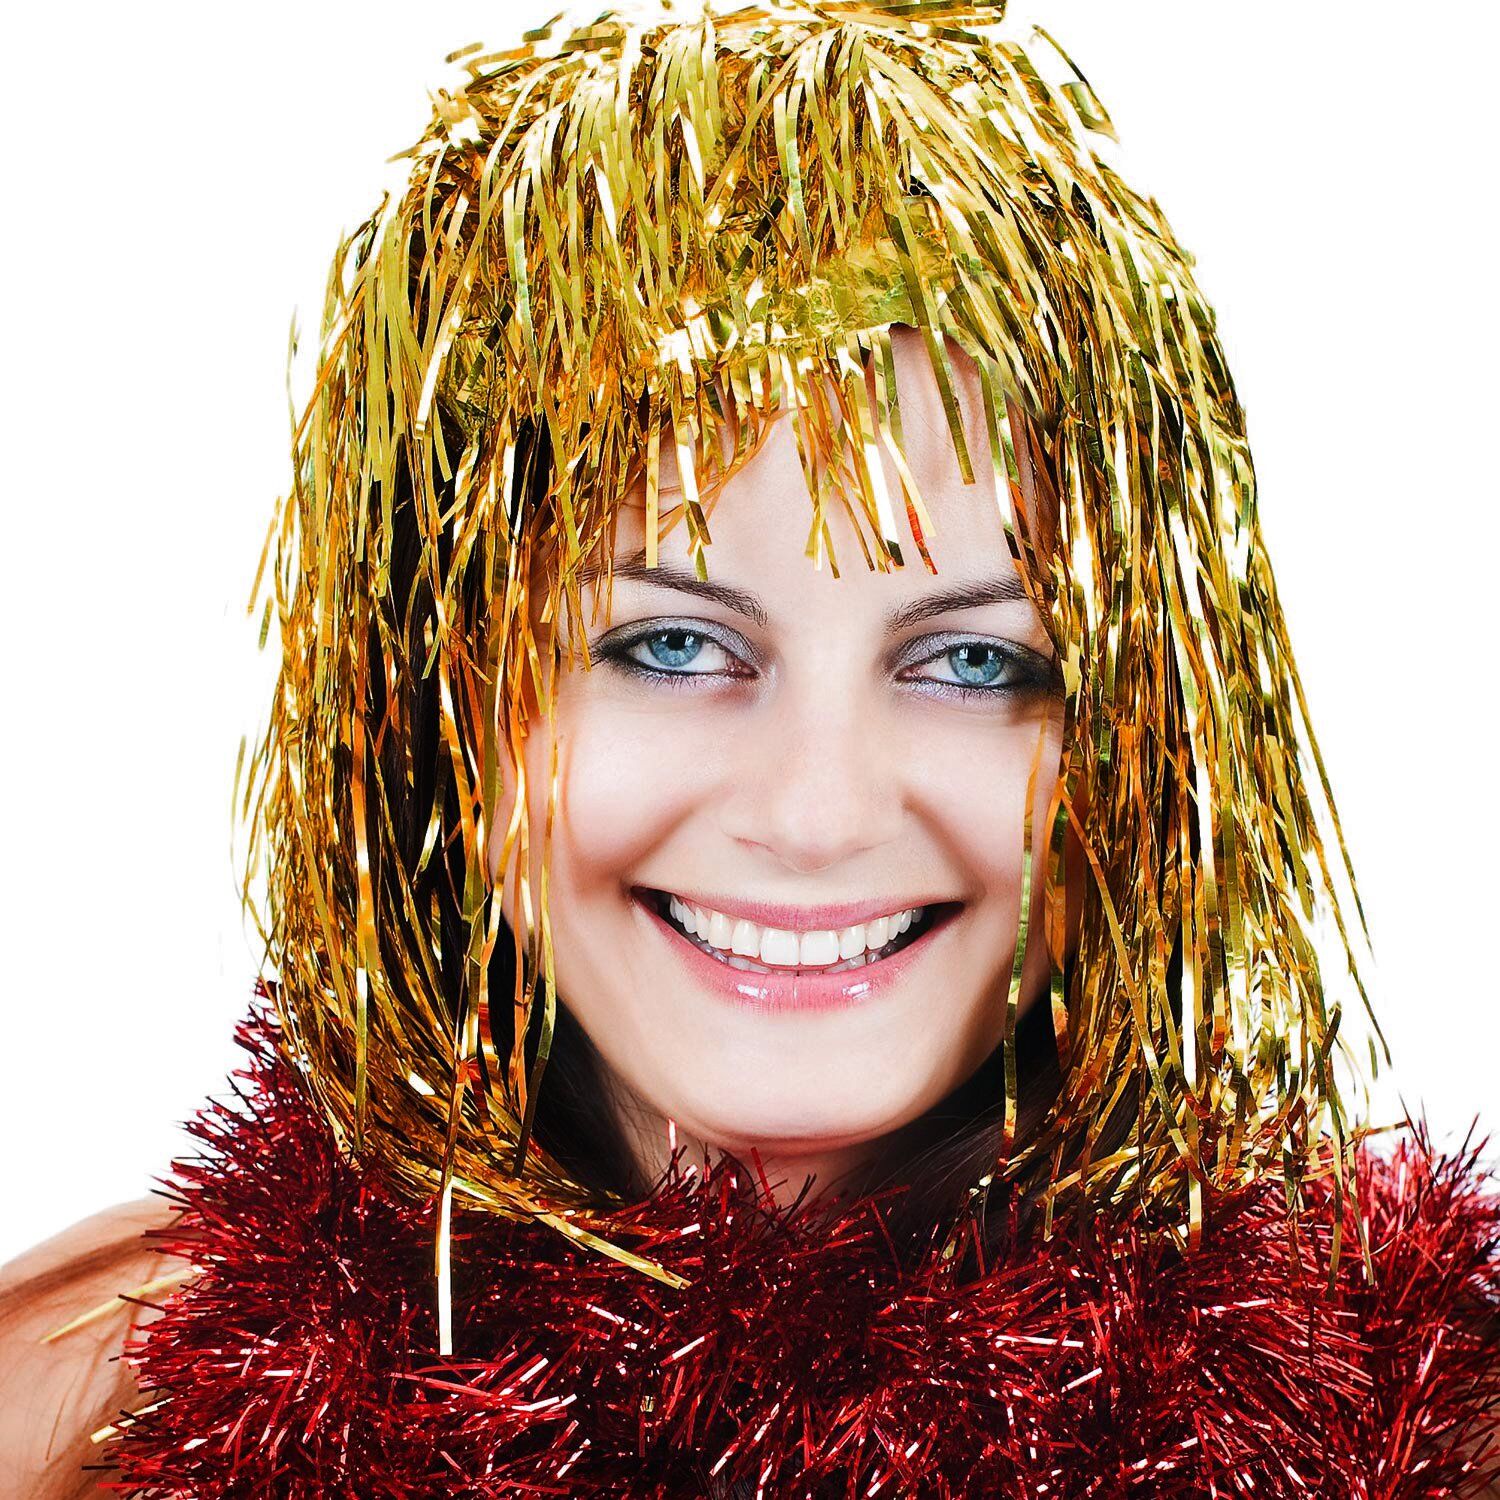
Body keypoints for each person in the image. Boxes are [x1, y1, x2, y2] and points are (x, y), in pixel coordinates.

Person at [3, 1, 1496, 1494]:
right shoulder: (85, 1410)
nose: (817, 811)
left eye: (975, 661)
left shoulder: (1427, 1430)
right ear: (433, 702)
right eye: (669, 646)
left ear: (1154, 741)